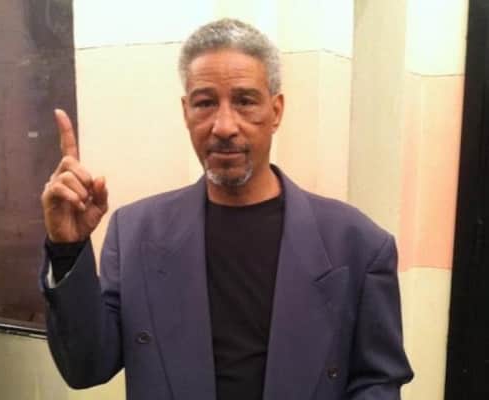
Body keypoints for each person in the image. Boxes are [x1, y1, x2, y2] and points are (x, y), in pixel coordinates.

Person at [40, 18, 413, 400]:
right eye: (205, 103)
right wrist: (67, 250)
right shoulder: (136, 232)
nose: (223, 126)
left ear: (276, 110)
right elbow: (86, 367)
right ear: (186, 112)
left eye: (244, 101)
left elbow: (378, 381)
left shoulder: (357, 244)